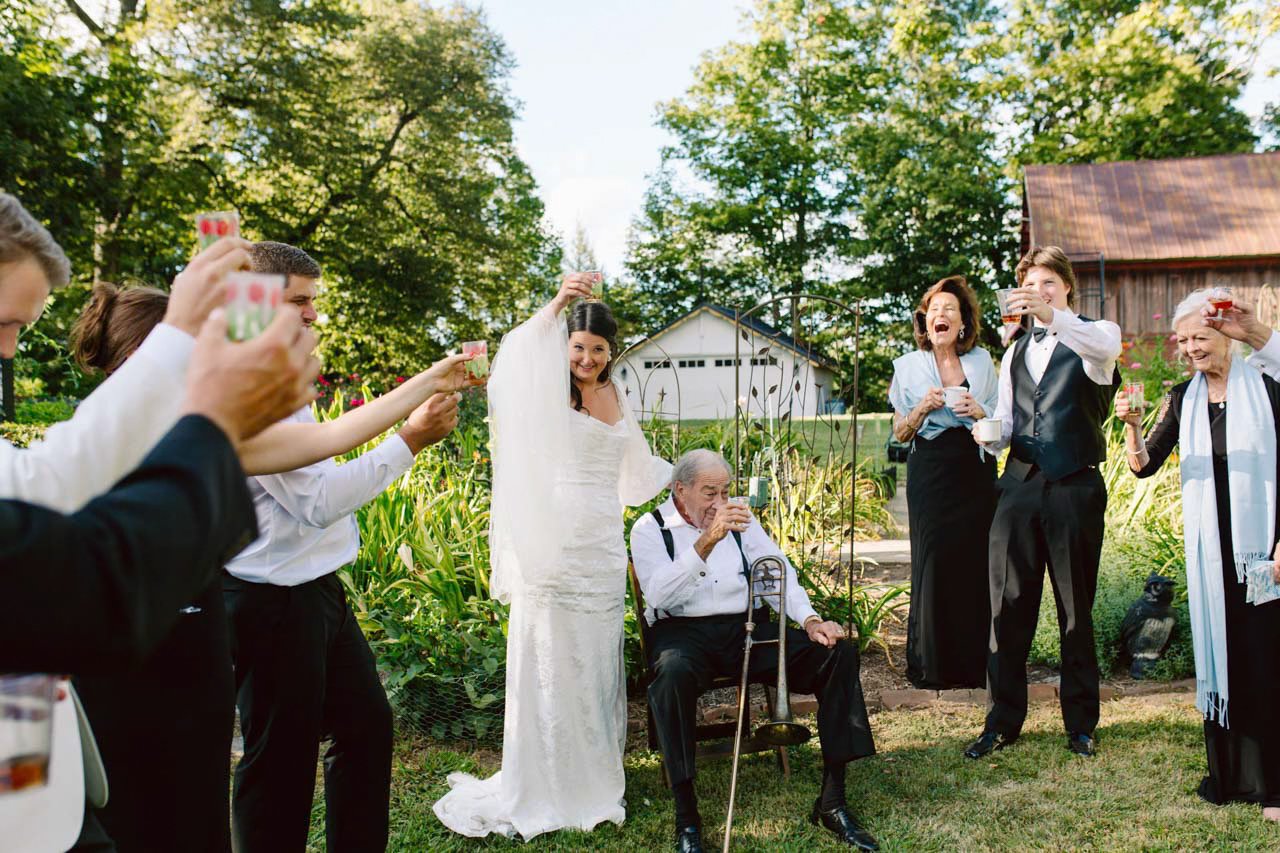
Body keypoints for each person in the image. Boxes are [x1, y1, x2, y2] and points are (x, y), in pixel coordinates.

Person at [64, 275, 474, 852]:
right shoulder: (96, 438)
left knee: (215, 778)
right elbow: (319, 497)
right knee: (164, 790)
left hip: (207, 614)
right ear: (143, 358)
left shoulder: (214, 429)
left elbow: (331, 437)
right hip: (158, 634)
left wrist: (430, 381)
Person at [0, 301, 321, 852]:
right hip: (107, 683)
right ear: (142, 359)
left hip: (190, 653)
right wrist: (221, 421)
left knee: (197, 812)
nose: (10, 347)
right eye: (8, 322)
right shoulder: (92, 440)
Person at [215, 240, 476, 852]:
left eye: (313, 302)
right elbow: (318, 501)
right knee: (280, 759)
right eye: (299, 301)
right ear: (255, 301)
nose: (312, 314)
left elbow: (327, 457)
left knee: (365, 726)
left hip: (316, 591)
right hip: (270, 597)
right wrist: (409, 439)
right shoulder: (246, 386)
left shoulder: (282, 376)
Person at [433, 273, 672, 841]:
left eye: (597, 350)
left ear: (610, 353)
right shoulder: (544, 390)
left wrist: (686, 476)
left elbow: (635, 467)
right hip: (552, 543)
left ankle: (591, 779)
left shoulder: (615, 394)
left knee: (594, 667)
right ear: (564, 346)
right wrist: (558, 304)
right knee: (548, 664)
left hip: (602, 549)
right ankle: (541, 783)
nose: (586, 358)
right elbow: (514, 356)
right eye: (578, 347)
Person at [631, 449, 878, 853]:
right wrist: (707, 541)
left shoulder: (742, 520)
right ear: (681, 489)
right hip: (681, 633)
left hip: (744, 626)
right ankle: (687, 818)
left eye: (725, 491)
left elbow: (777, 570)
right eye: (710, 492)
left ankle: (832, 802)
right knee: (671, 676)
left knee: (836, 654)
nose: (721, 502)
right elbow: (659, 594)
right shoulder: (650, 528)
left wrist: (810, 621)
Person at [1116, 291, 1280, 823]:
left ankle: (1275, 785)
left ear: (1225, 337)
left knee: (1267, 659)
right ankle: (1231, 777)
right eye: (1182, 340)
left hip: (1264, 549)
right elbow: (1144, 466)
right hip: (1213, 557)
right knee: (1228, 657)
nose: (1189, 349)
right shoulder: (1182, 397)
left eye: (1199, 338)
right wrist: (1134, 427)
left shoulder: (1267, 384)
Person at [967, 246, 1121, 760]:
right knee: (1006, 607)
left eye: (1047, 284)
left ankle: (1080, 723)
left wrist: (1049, 313)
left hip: (1075, 484)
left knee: (1075, 608)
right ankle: (1002, 721)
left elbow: (1094, 345)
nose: (1038, 294)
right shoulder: (1013, 351)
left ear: (1066, 287)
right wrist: (986, 431)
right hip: (1020, 485)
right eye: (1030, 286)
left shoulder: (1097, 337)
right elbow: (1010, 421)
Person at [888, 275, 998, 689]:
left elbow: (999, 424)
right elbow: (900, 433)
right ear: (924, 322)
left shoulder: (982, 363)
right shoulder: (907, 366)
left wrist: (977, 410)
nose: (941, 314)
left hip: (974, 470)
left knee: (975, 563)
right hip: (931, 471)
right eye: (934, 310)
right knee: (933, 561)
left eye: (950, 309)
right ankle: (932, 666)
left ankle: (975, 667)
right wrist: (921, 408)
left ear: (963, 322)